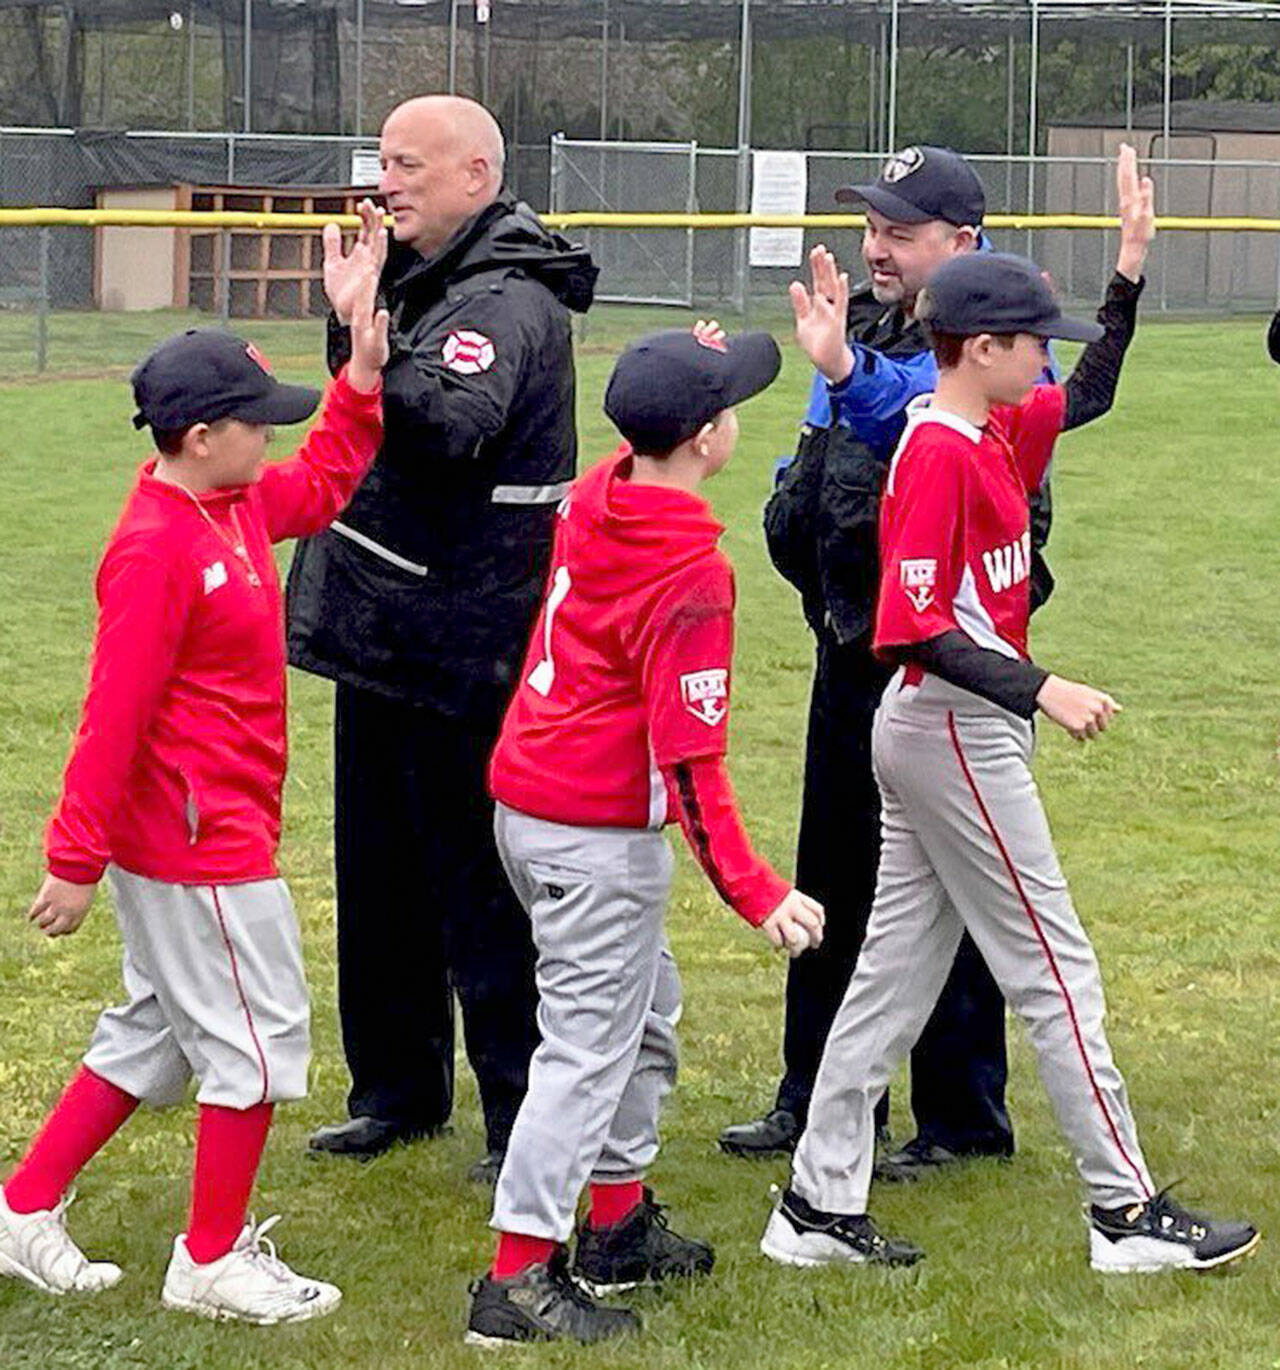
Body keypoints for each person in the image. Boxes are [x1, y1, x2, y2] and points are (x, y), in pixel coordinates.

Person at [759, 240, 1261, 1276]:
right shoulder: (936, 449)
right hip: (948, 724)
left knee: (890, 977)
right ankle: (1121, 1209)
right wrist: (1043, 687)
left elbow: (1088, 390)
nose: (1044, 359)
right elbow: (906, 625)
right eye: (1029, 342)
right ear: (976, 347)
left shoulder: (996, 422)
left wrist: (1125, 273)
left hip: (942, 727)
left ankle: (814, 1202)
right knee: (1055, 968)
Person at [0, 203, 389, 1321]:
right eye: (254, 421)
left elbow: (318, 483)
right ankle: (209, 1258)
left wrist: (359, 365)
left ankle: (22, 1206)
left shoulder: (227, 503)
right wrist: (74, 857)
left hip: (215, 825)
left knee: (157, 1031)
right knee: (259, 1049)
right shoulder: (156, 549)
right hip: (191, 839)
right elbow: (108, 717)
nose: (270, 435)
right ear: (200, 433)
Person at [465, 323, 826, 1347]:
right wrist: (759, 892)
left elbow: (630, 449)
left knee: (643, 1011)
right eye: (723, 403)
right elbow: (690, 763)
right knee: (584, 1049)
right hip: (591, 830)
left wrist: (672, 377)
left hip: (527, 809)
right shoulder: (692, 576)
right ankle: (516, 1275)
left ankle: (615, 1222)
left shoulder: (598, 496)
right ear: (708, 435)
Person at [286, 95, 597, 1174]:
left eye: (408, 164)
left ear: (475, 174)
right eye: (380, 161)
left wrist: (366, 347)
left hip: (463, 638)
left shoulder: (504, 299)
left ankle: (518, 1112)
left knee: (476, 884)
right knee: (377, 873)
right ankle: (397, 1087)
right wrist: (355, 328)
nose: (387, 181)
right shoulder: (418, 279)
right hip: (381, 625)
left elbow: (453, 429)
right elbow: (370, 411)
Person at [722, 146, 1031, 1174]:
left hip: (940, 657)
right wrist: (786, 502)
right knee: (832, 874)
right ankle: (810, 1089)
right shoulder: (852, 326)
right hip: (845, 637)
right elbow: (821, 454)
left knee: (947, 880)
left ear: (962, 243)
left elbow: (909, 403)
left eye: (899, 231)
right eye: (872, 227)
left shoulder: (991, 347)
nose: (875, 247)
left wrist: (847, 373)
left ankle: (960, 1116)